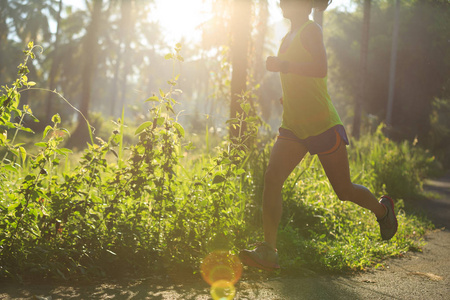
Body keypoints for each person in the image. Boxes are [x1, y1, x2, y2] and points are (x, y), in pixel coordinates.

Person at [239, 0, 398, 271]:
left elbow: (320, 68)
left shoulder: (311, 30)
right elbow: (297, 77)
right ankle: (269, 250)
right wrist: (287, 94)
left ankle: (383, 211)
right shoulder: (288, 36)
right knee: (272, 177)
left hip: (322, 124)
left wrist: (283, 65)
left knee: (344, 190)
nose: (280, 2)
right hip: (294, 125)